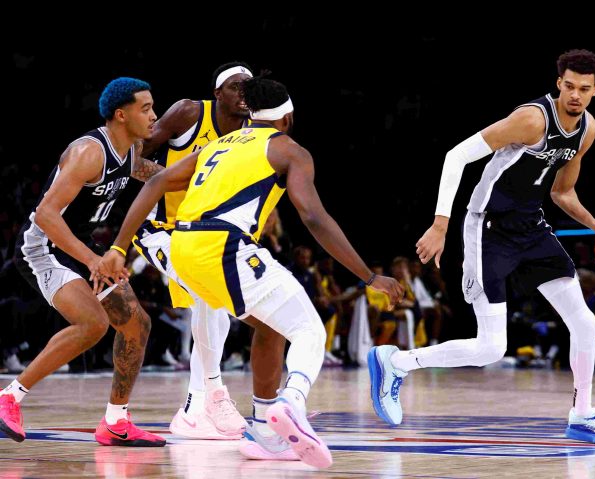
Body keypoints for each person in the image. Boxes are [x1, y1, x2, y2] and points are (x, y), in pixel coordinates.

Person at [97, 76, 404, 468]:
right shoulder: (289, 149)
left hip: (184, 249)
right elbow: (313, 216)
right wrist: (368, 276)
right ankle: (290, 402)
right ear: (287, 117)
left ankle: (263, 428)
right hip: (224, 246)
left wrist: (119, 247)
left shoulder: (219, 146)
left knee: (270, 325)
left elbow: (156, 179)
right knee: (308, 330)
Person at [369, 49, 595, 445]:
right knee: (491, 348)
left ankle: (582, 416)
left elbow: (563, 192)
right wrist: (441, 224)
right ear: (558, 84)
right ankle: (396, 362)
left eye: (584, 89)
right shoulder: (532, 119)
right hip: (488, 229)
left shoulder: (588, 130)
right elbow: (456, 156)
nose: (575, 95)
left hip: (532, 228)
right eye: (569, 86)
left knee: (585, 323)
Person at [0, 78, 166, 446]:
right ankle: (9, 396)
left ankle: (115, 421)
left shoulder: (131, 151)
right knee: (93, 323)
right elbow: (44, 214)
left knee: (137, 325)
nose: (154, 115)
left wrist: (201, 172)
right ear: (121, 115)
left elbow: (154, 175)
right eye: (146, 108)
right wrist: (93, 259)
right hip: (42, 246)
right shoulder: (88, 152)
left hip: (79, 245)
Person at [133, 62, 286, 443]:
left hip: (204, 235)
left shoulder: (252, 134)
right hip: (158, 230)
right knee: (210, 293)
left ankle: (197, 405)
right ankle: (206, 398)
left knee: (214, 299)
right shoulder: (189, 112)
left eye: (249, 88)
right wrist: (168, 177)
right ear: (218, 92)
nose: (244, 94)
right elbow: (130, 155)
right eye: (236, 87)